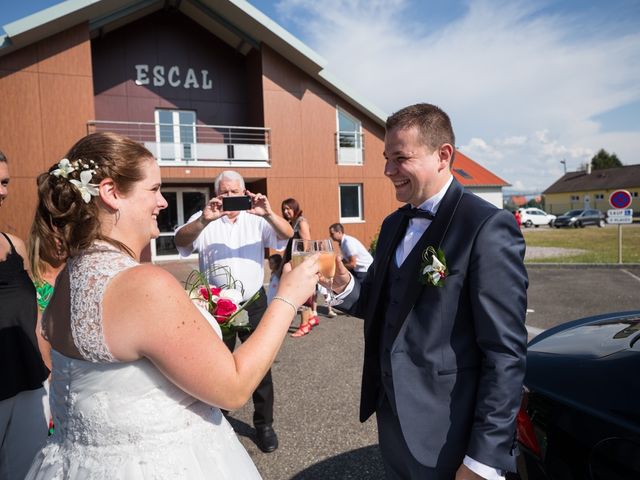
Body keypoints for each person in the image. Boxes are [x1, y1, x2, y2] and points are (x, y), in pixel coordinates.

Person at [25, 132, 319, 478]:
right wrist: (288, 296)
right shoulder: (144, 285)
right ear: (110, 193)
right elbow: (234, 387)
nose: (163, 202)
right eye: (154, 190)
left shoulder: (66, 280)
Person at [329, 103, 528, 479]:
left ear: (443, 155)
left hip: (450, 434)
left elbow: (504, 353)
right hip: (392, 420)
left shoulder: (486, 226)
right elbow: (383, 301)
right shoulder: (391, 225)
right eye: (387, 158)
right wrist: (344, 285)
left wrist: (483, 458)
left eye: (400, 158)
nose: (388, 171)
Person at [174, 170, 294, 453]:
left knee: (260, 366)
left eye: (235, 191)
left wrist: (267, 213)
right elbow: (180, 241)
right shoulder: (205, 218)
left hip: (253, 301)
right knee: (215, 365)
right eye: (224, 192)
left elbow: (287, 235)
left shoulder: (256, 218)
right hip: (215, 305)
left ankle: (264, 424)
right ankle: (219, 420)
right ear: (217, 193)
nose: (230, 197)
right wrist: (204, 219)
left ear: (245, 192)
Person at [0, 151, 49, 480]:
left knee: (28, 472)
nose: (3, 191)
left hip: (29, 385)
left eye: (4, 182)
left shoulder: (15, 245)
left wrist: (50, 372)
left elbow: (35, 315)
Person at [281, 197, 320, 337]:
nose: (286, 212)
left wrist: (301, 265)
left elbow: (307, 245)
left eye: (288, 208)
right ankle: (311, 318)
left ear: (295, 208)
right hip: (294, 262)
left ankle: (304, 325)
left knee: (303, 295)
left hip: (301, 262)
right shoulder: (292, 223)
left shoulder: (301, 222)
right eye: (284, 209)